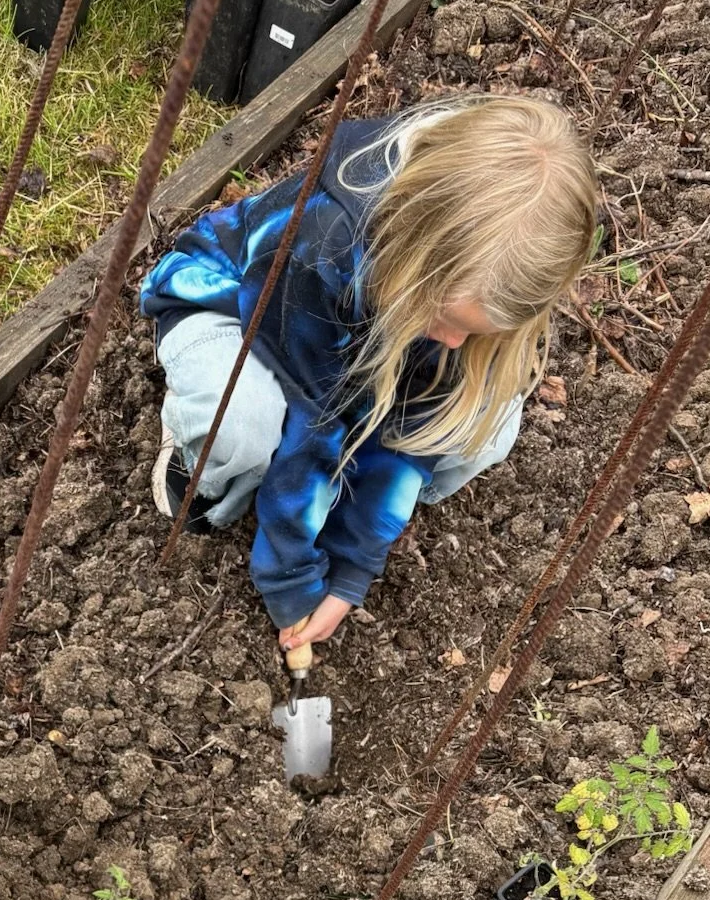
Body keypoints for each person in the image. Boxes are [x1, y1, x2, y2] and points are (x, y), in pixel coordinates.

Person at [140, 95, 599, 664]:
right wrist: (292, 582)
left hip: (360, 343)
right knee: (243, 429)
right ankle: (196, 465)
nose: (455, 342)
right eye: (448, 322)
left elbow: (422, 420)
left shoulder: (470, 282)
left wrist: (353, 566)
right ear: (416, 256)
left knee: (492, 424)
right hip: (236, 309)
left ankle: (349, 490)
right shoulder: (321, 241)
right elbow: (317, 424)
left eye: (470, 332)